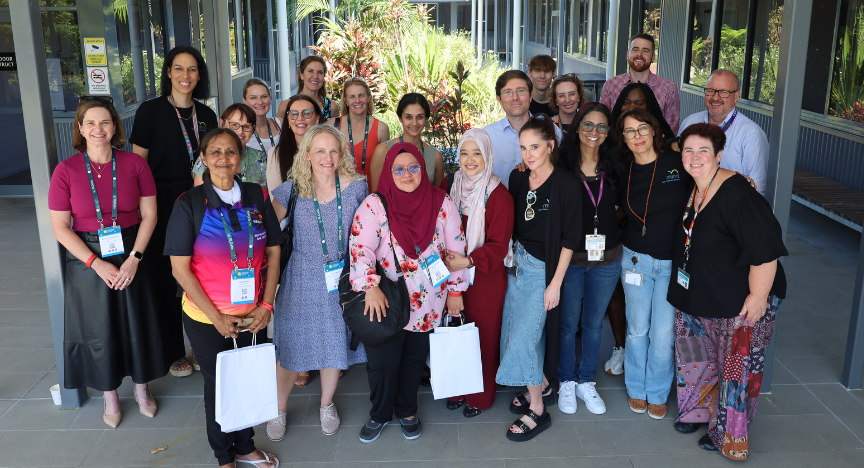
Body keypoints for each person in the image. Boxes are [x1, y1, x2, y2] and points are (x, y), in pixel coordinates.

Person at [48, 97, 180, 428]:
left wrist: (135, 258)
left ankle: (141, 388)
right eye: (90, 123)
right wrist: (95, 262)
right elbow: (60, 228)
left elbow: (150, 214)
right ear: (80, 128)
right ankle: (109, 393)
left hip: (133, 247)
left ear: (115, 127)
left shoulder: (135, 164)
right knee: (99, 327)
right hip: (87, 256)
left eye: (105, 122)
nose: (98, 129)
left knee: (138, 320)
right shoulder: (66, 170)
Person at [165, 128, 281, 468]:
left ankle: (245, 446)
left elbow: (273, 253)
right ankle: (224, 455)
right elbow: (180, 270)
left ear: (240, 157)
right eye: (215, 152)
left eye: (230, 151)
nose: (223, 158)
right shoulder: (190, 203)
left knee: (245, 379)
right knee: (219, 385)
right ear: (203, 158)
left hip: (252, 314)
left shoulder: (257, 195)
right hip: (207, 318)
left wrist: (267, 305)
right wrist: (216, 318)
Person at [669, 123, 787, 460]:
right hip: (697, 296)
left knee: (736, 369)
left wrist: (758, 297)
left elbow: (766, 249)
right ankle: (697, 412)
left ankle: (729, 434)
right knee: (695, 357)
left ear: (719, 155)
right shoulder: (695, 187)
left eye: (703, 151)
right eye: (688, 150)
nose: (694, 157)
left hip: (738, 301)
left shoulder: (738, 193)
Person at [348, 143, 469, 443]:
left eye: (414, 168)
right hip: (386, 300)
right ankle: (379, 413)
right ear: (388, 172)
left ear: (423, 170)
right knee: (382, 362)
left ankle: (407, 409)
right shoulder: (375, 205)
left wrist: (456, 291)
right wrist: (370, 286)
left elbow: (456, 247)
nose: (407, 175)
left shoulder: (441, 202)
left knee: (415, 359)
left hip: (429, 299)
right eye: (398, 169)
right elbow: (359, 248)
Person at [264, 125, 369, 440]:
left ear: (342, 154)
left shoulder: (357, 187)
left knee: (334, 342)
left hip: (341, 281)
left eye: (333, 150)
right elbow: (266, 232)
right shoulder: (291, 189)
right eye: (320, 151)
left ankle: (326, 404)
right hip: (300, 276)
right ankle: (279, 409)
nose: (328, 157)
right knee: (290, 346)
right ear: (307, 154)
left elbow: (368, 232)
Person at [130, 45, 219, 378]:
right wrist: (142, 208)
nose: (186, 76)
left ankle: (201, 345)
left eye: (192, 69)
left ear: (200, 75)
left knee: (202, 271)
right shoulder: (150, 112)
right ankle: (173, 351)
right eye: (179, 69)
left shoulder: (207, 115)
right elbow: (138, 166)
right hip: (161, 202)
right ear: (168, 72)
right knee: (167, 277)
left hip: (200, 200)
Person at [498, 116, 581, 442]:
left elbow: (571, 240)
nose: (528, 154)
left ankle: (537, 409)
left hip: (542, 270)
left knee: (524, 338)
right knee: (517, 331)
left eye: (535, 147)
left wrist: (555, 284)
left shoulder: (566, 185)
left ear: (550, 145)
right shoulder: (518, 179)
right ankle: (543, 385)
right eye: (523, 147)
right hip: (516, 264)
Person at [617, 108, 692, 420]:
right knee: (637, 330)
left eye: (642, 128)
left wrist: (739, 178)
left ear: (654, 130)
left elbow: (707, 176)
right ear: (623, 138)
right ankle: (636, 388)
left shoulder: (677, 163)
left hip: (671, 264)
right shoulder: (623, 171)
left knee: (663, 335)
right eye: (630, 131)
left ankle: (658, 392)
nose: (637, 136)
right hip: (635, 260)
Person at [555, 103, 625, 416]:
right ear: (577, 126)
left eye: (601, 126)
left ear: (608, 132)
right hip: (570, 260)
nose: (593, 132)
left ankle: (586, 381)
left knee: (594, 324)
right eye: (588, 124)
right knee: (568, 324)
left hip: (607, 260)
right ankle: (566, 380)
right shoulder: (560, 163)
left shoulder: (617, 164)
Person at [442, 129, 515, 418]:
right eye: (464, 153)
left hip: (484, 277)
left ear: (487, 156)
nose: (470, 160)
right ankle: (457, 387)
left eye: (477, 154)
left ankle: (480, 396)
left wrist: (468, 261)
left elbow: (498, 247)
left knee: (482, 338)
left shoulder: (499, 195)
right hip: (453, 276)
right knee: (456, 331)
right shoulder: (454, 186)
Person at [678, 69, 768, 195]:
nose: (715, 98)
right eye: (710, 91)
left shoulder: (751, 134)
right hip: (689, 201)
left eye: (724, 92)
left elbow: (757, 190)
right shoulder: (690, 122)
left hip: (729, 208)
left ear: (736, 96)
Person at [485, 70, 563, 187]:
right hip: (499, 203)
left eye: (521, 91)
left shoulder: (552, 130)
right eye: (508, 92)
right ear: (499, 99)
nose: (515, 97)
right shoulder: (487, 136)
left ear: (531, 96)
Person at [600, 33, 680, 133]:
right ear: (627, 54)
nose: (639, 54)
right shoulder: (611, 85)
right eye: (635, 49)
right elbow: (603, 123)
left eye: (645, 51)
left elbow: (671, 130)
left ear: (653, 57)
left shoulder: (669, 88)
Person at [368, 93, 444, 190]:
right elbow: (375, 197)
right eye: (409, 117)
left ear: (426, 119)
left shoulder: (435, 156)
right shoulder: (383, 151)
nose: (414, 123)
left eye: (419, 117)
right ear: (400, 118)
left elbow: (438, 198)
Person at [326, 77, 390, 187]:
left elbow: (386, 168)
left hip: (371, 196)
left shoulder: (381, 129)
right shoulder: (332, 126)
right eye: (352, 96)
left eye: (361, 95)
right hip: (340, 196)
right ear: (345, 100)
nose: (357, 100)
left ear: (369, 97)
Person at [192, 104, 268, 189]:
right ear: (222, 123)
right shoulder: (209, 156)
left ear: (253, 130)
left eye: (246, 127)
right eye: (234, 125)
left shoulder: (262, 158)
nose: (240, 132)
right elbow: (200, 196)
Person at [267, 95, 321, 199]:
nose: (300, 118)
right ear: (288, 120)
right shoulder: (276, 154)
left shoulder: (329, 151)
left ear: (317, 118)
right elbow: (276, 199)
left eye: (307, 113)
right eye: (294, 114)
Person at [610, 82, 676, 148]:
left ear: (649, 108)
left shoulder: (664, 141)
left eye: (638, 104)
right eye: (626, 103)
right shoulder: (610, 133)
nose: (631, 108)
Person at [276, 56, 339, 122]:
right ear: (301, 75)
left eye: (320, 72)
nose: (315, 76)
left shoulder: (332, 107)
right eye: (310, 71)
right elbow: (281, 131)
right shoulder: (286, 106)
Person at [243, 78, 281, 154]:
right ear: (245, 101)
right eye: (253, 98)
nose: (260, 102)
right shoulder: (240, 131)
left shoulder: (280, 124)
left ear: (269, 99)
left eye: (264, 96)